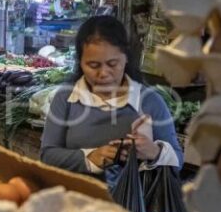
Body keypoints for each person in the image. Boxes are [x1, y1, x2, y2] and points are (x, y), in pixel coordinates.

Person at [40, 16, 182, 188]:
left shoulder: (150, 101)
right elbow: (47, 155)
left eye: (112, 64)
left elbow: (178, 160)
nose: (104, 73)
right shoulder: (66, 98)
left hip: (132, 209)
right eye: (93, 65)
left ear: (126, 59)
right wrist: (91, 157)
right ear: (81, 63)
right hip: (75, 204)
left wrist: (153, 151)